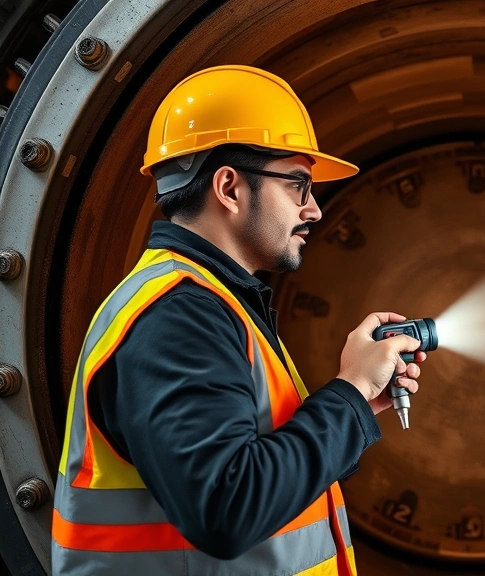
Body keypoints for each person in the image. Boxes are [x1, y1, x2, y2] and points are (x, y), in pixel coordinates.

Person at [50, 65, 425, 575]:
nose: (313, 209)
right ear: (228, 187)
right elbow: (228, 507)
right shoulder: (178, 316)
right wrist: (350, 392)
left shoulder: (213, 302)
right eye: (298, 185)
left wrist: (359, 408)